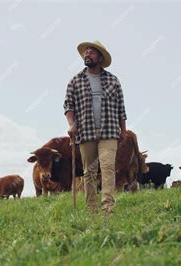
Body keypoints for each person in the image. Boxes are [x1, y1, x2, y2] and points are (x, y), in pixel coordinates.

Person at [63, 40, 127, 214]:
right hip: (86, 131)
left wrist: (124, 129)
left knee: (107, 168)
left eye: (91, 52)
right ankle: (92, 210)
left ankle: (108, 208)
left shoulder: (113, 80)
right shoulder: (75, 81)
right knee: (89, 172)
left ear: (100, 57)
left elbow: (121, 107)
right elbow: (68, 106)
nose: (87, 54)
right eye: (86, 52)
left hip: (109, 131)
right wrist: (71, 124)